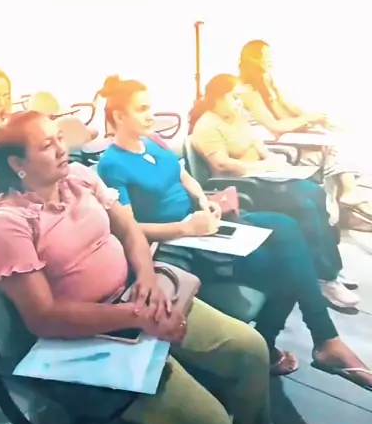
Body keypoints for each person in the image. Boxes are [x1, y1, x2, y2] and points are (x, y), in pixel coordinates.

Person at [0, 111, 319, 424]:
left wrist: (145, 277)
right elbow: (44, 318)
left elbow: (129, 231)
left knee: (249, 349)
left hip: (134, 299)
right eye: (46, 145)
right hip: (84, 339)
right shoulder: (9, 224)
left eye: (59, 138)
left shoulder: (80, 179)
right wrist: (136, 316)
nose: (61, 149)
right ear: (17, 163)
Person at [97, 79, 371, 386]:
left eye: (150, 107)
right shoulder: (111, 164)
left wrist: (204, 201)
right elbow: (128, 228)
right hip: (178, 242)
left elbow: (184, 177)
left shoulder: (153, 142)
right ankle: (304, 342)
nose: (151, 115)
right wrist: (185, 227)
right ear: (119, 116)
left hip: (203, 225)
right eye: (142, 109)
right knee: (291, 264)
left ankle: (311, 342)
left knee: (288, 229)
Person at [188, 74, 359, 310]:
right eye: (234, 97)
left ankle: (327, 268)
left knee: (315, 193)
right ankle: (324, 278)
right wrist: (263, 167)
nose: (239, 103)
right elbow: (223, 165)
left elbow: (259, 147)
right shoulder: (207, 126)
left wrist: (276, 164)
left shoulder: (236, 119)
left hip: (265, 178)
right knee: (305, 206)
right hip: (244, 185)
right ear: (217, 98)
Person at [239, 39, 372, 226]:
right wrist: (308, 119)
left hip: (281, 137)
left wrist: (312, 118)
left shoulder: (266, 86)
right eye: (265, 56)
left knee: (333, 140)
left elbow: (288, 113)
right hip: (269, 143)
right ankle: (347, 201)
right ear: (253, 59)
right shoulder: (248, 91)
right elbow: (275, 126)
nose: (271, 60)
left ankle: (348, 205)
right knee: (331, 150)